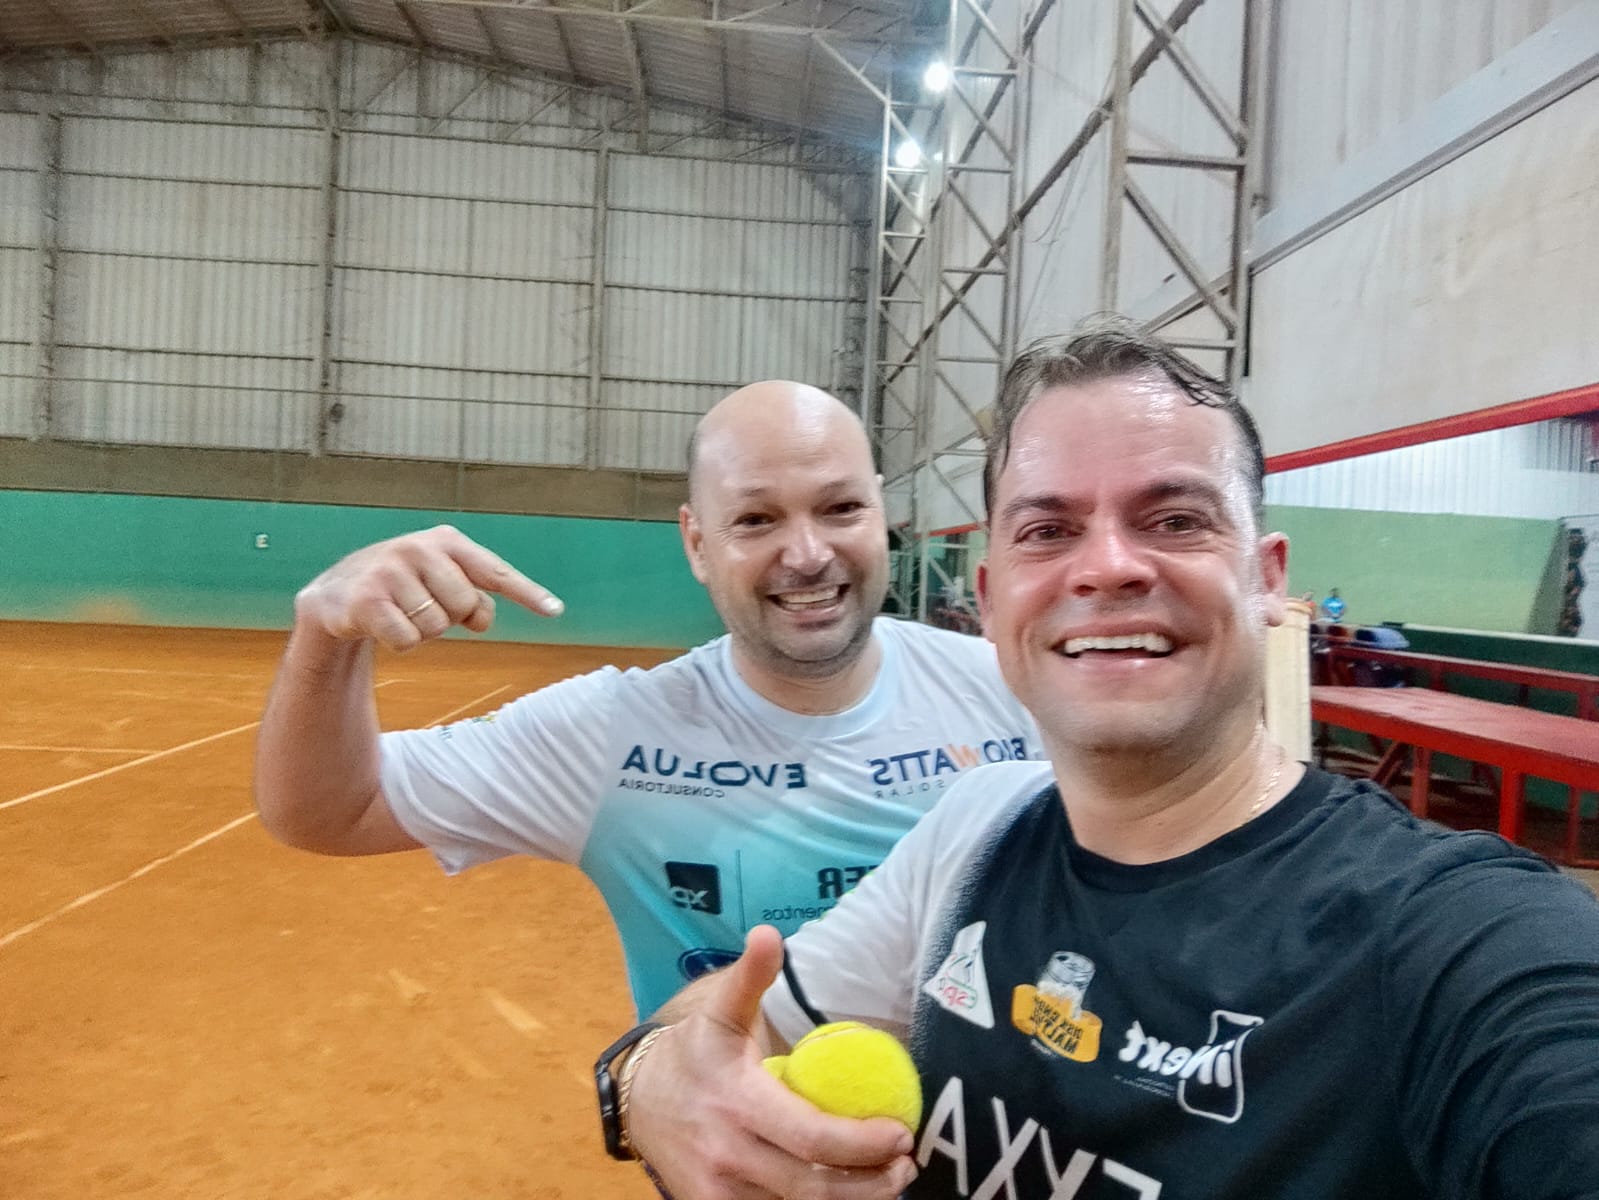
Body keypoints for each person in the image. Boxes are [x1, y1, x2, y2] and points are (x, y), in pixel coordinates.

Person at [608, 321, 1599, 1199]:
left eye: (1174, 519)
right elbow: (730, 1025)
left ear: (1266, 578)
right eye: (1048, 530)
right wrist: (645, 1083)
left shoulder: (1452, 938)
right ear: (990, 601)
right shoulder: (975, 829)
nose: (1109, 566)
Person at [253, 380, 1039, 1019]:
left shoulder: (1012, 690)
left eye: (840, 509)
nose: (806, 554)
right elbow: (330, 810)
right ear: (697, 543)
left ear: (881, 514)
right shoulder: (614, 736)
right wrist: (325, 634)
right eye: (756, 519)